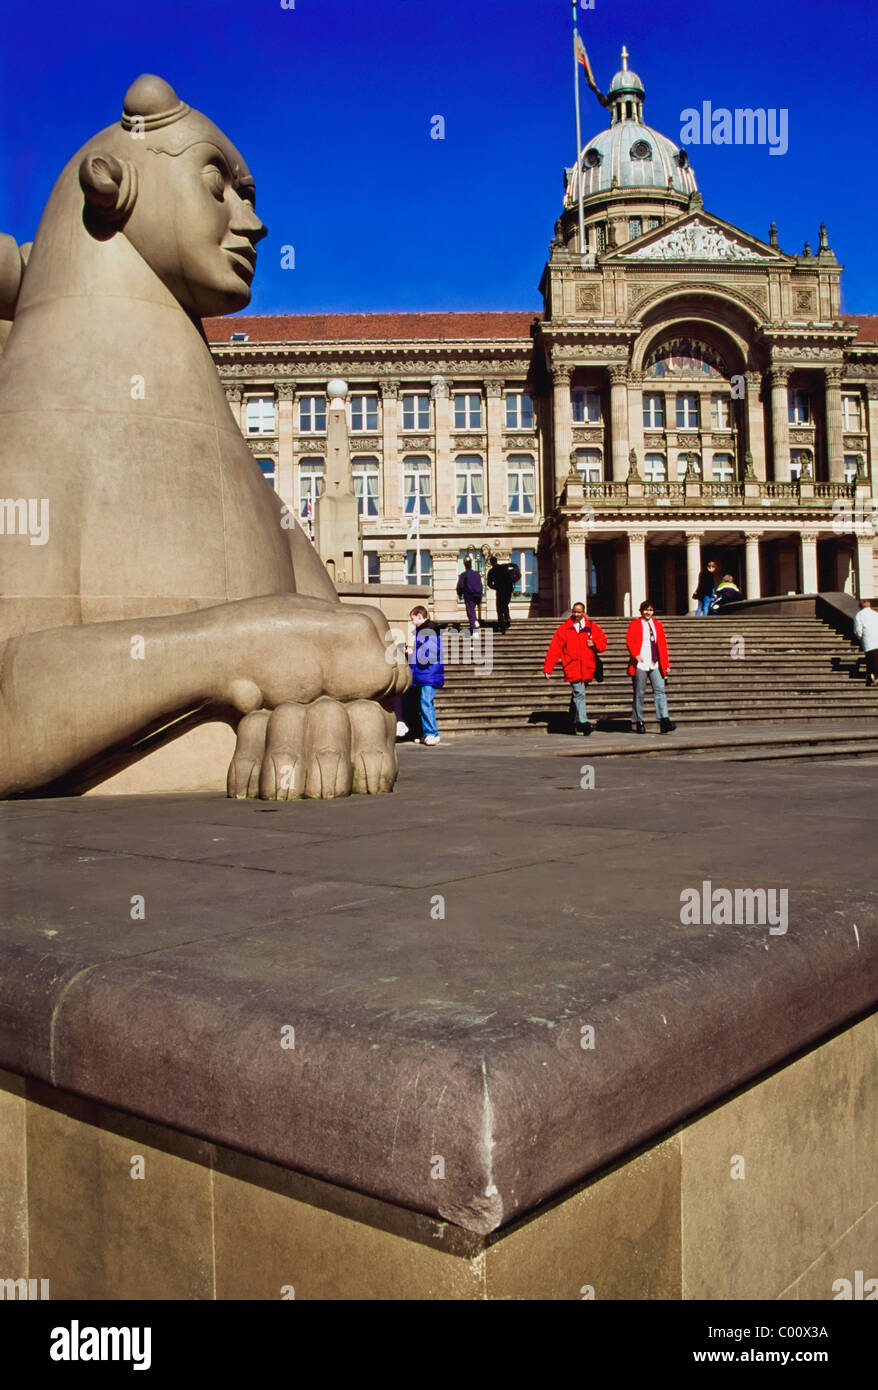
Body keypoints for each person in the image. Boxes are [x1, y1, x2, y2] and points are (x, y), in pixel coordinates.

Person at [543, 601, 607, 735]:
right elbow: (554, 649)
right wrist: (548, 668)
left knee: (577, 696)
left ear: (583, 612)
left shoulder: (591, 626)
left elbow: (603, 643)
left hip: (588, 666)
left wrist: (594, 643)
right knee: (579, 694)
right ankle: (583, 723)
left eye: (579, 612)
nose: (576, 614)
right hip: (572, 666)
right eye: (574, 611)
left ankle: (572, 721)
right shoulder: (565, 628)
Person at [626, 600, 676, 734]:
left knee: (660, 690)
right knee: (639, 693)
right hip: (641, 663)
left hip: (655, 663)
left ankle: (664, 720)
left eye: (651, 610)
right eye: (646, 610)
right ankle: (639, 721)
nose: (648, 612)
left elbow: (663, 646)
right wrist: (635, 655)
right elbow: (629, 641)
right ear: (641, 611)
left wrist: (666, 664)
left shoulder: (658, 625)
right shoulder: (635, 624)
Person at [408, 605, 444, 744]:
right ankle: (428, 733)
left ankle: (432, 733)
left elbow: (430, 653)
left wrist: (413, 655)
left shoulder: (428, 631)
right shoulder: (425, 631)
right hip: (426, 673)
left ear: (419, 616)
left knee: (426, 703)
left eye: (413, 619)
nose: (412, 622)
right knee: (425, 703)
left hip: (428, 673)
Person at [487, 555, 519, 634]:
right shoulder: (503, 567)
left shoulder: (491, 571)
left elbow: (489, 584)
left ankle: (502, 627)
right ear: (496, 560)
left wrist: (496, 587)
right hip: (508, 590)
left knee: (500, 609)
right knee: (505, 605)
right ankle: (507, 618)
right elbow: (512, 568)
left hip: (500, 591)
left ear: (491, 563)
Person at [853, 597, 878, 688]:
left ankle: (873, 676)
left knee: (871, 658)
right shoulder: (875, 614)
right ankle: (873, 675)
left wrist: (861, 638)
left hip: (868, 640)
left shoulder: (859, 615)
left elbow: (857, 630)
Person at [456, 558, 483, 633]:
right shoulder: (476, 574)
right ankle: (475, 621)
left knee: (470, 611)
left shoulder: (463, 575)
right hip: (478, 594)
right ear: (471, 564)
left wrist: (460, 594)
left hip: (469, 595)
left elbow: (460, 586)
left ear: (464, 565)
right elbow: (480, 584)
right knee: (473, 610)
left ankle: (474, 629)